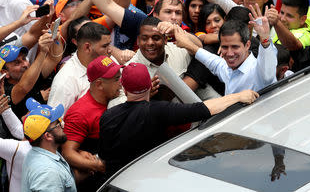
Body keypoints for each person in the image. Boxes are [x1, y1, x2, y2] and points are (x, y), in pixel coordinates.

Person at [98, 62, 260, 178]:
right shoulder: (157, 110)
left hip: (117, 181)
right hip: (147, 179)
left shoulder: (107, 116)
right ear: (150, 85)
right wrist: (239, 96)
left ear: (124, 89)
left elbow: (105, 156)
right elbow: (203, 109)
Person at [175, 5, 277, 95]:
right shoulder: (227, 69)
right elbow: (212, 61)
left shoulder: (259, 72)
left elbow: (267, 69)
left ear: (247, 45)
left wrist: (265, 40)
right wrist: (187, 44)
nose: (229, 53)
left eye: (235, 47)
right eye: (224, 47)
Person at [62, 56, 122, 190]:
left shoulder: (115, 97)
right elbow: (67, 152)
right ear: (99, 84)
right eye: (116, 79)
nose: (121, 83)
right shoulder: (80, 113)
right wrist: (98, 166)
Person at [48, 22, 112, 111]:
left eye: (109, 44)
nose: (110, 50)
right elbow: (55, 122)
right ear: (87, 47)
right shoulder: (65, 81)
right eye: (105, 46)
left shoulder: (108, 59)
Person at [21, 99, 76, 192]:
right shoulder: (48, 173)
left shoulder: (37, 152)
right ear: (48, 135)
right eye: (58, 124)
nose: (63, 125)